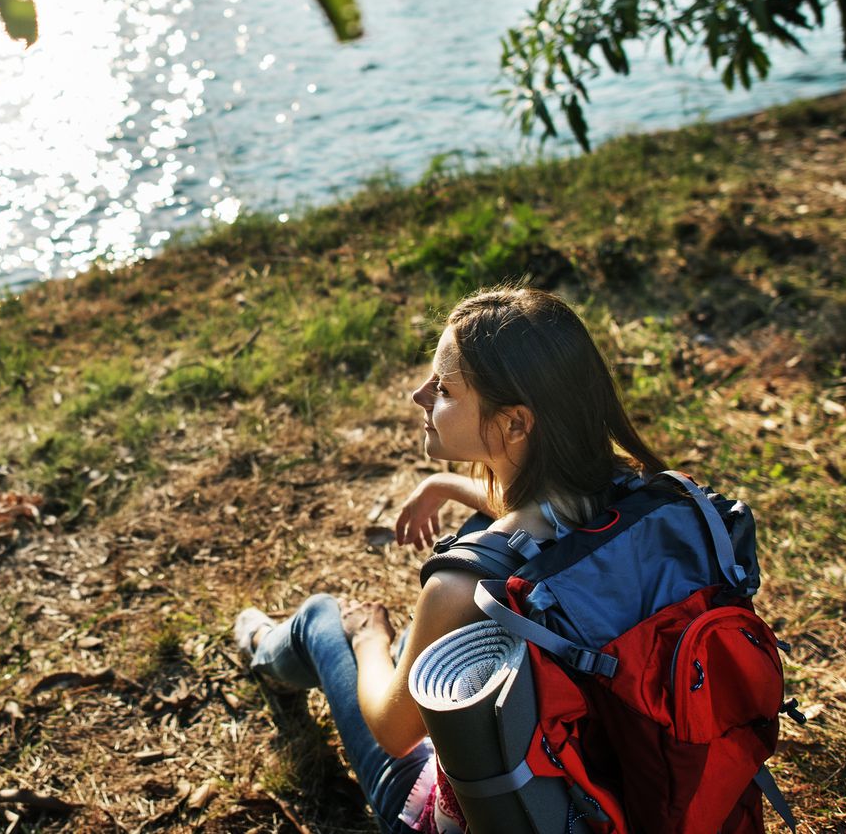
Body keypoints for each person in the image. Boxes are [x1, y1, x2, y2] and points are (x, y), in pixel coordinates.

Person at [234, 284, 667, 834]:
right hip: (629, 797)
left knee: (323, 616)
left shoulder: (461, 590)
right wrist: (443, 484)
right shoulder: (649, 499)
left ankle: (264, 651)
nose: (418, 396)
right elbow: (544, 516)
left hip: (492, 815)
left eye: (442, 388)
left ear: (514, 423)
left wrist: (372, 639)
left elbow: (394, 732)